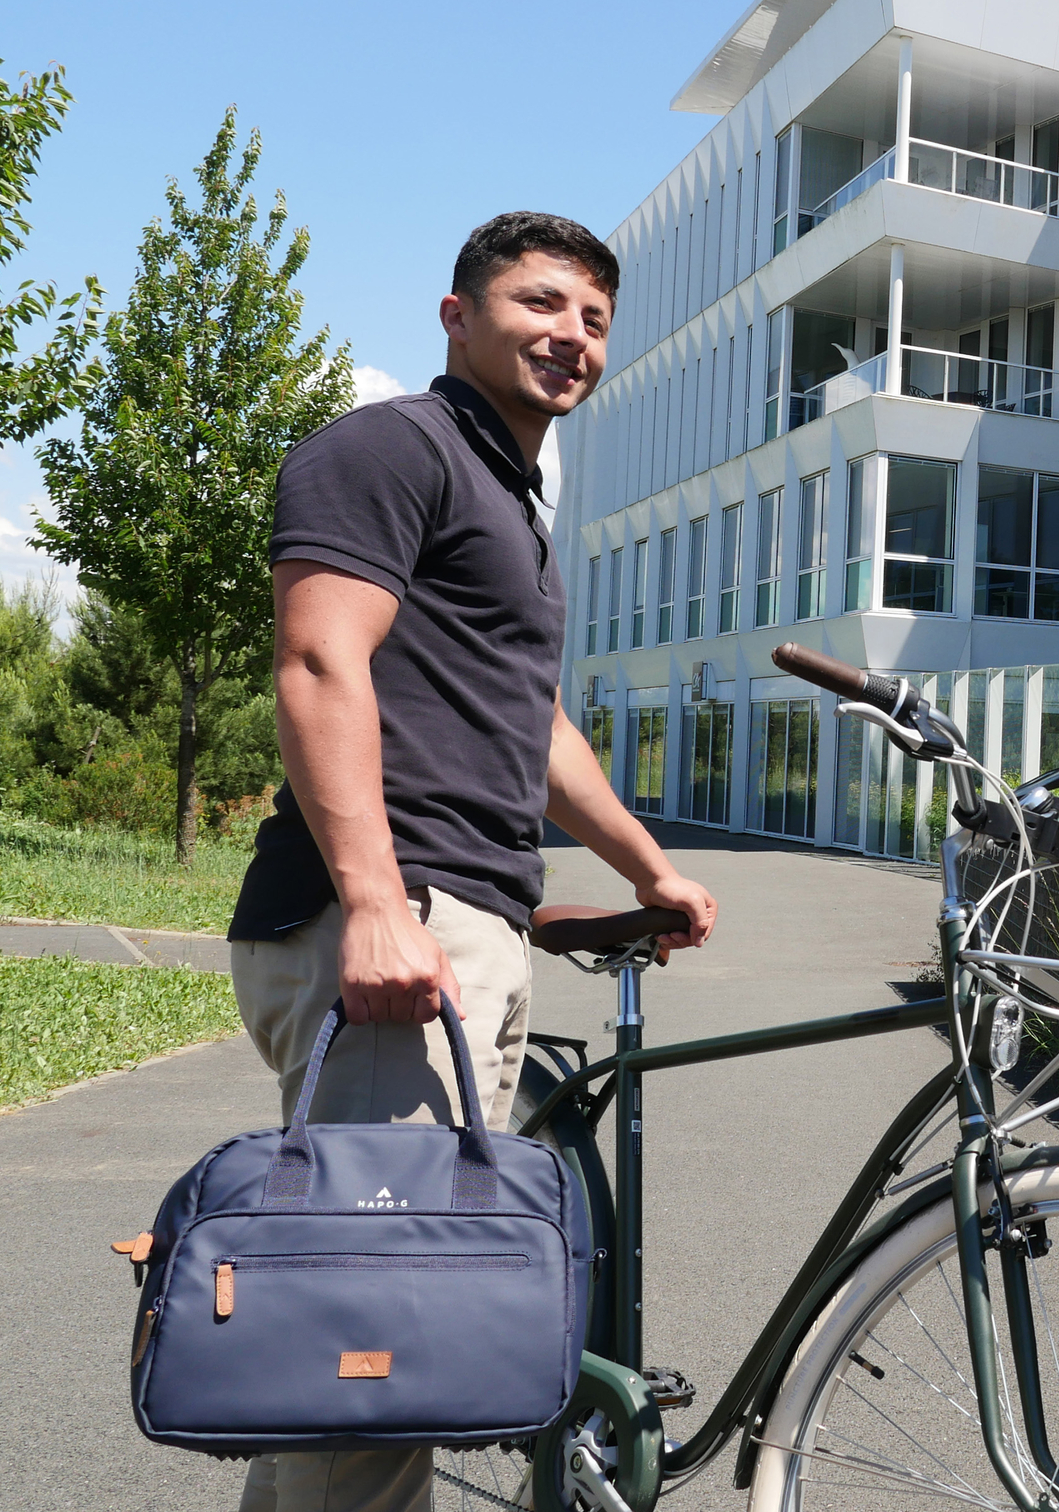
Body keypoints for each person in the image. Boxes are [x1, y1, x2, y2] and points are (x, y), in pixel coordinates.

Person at [226, 210, 717, 1512]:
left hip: (461, 923)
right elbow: (319, 659)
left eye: (596, 321)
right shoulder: (393, 450)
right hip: (397, 924)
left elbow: (533, 727)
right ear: (458, 315)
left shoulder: (509, 503)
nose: (571, 336)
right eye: (541, 304)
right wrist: (382, 908)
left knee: (370, 1341)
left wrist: (647, 865)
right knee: (373, 1347)